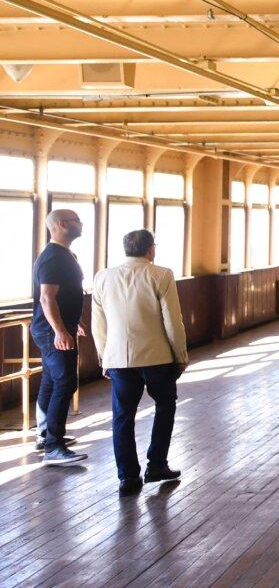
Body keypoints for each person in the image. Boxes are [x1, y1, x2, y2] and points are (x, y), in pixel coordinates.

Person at [91, 229, 189, 497]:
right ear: (150, 249)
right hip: (157, 356)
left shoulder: (103, 277)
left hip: (118, 359)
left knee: (122, 416)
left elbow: (98, 324)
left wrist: (104, 358)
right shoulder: (161, 274)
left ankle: (127, 477)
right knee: (165, 405)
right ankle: (156, 465)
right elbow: (172, 319)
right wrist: (180, 355)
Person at [31, 209, 89, 465]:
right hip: (51, 330)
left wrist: (73, 322)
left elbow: (67, 294)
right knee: (65, 382)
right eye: (77, 220)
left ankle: (45, 434)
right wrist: (60, 330)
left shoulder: (65, 255)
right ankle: (53, 447)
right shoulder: (53, 257)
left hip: (58, 326)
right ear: (63, 225)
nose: (81, 224)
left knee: (52, 381)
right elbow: (47, 297)